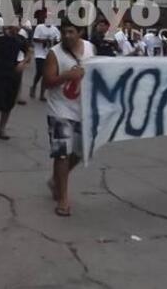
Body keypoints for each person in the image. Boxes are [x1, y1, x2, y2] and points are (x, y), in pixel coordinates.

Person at [44, 18, 95, 216]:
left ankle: (56, 179)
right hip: (60, 110)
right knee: (62, 153)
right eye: (64, 32)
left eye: (71, 32)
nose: (67, 35)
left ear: (80, 32)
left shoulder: (91, 49)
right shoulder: (54, 54)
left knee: (83, 151)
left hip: (83, 109)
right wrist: (67, 76)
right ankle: (63, 198)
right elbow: (47, 82)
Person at [0, 21, 31, 140]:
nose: (17, 28)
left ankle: (2, 128)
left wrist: (23, 63)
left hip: (14, 75)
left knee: (9, 102)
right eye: (15, 25)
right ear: (9, 25)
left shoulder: (20, 39)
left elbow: (28, 53)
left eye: (19, 25)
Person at [31, 17, 61, 101]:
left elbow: (58, 40)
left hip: (49, 54)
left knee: (45, 74)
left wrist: (54, 41)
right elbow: (35, 38)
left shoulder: (54, 29)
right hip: (39, 53)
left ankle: (42, 94)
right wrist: (44, 41)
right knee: (40, 72)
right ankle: (33, 86)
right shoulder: (39, 27)